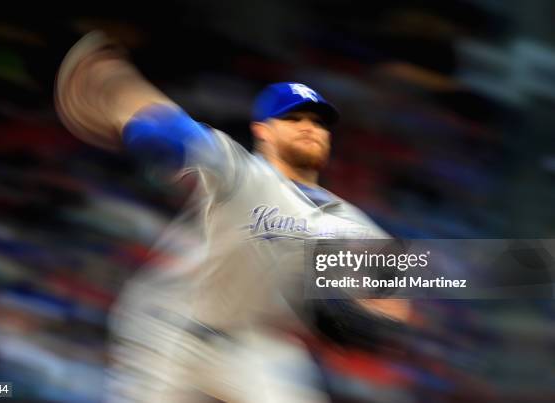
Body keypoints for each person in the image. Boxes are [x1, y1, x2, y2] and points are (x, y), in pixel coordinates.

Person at [55, 31, 411, 403]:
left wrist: (371, 316)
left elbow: (393, 288)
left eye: (318, 122)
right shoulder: (239, 171)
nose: (309, 127)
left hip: (254, 344)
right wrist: (118, 87)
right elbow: (166, 130)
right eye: (294, 119)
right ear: (263, 132)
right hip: (170, 328)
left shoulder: (347, 220)